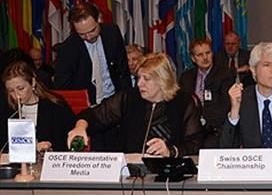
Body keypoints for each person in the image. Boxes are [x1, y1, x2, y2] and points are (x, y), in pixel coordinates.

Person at [67, 53, 203, 157]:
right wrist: (80, 127)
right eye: (138, 78)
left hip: (169, 172)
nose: (139, 84)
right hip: (130, 170)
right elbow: (93, 116)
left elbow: (195, 143)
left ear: (163, 80)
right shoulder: (129, 97)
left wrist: (170, 151)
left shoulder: (183, 102)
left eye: (146, 79)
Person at [54, 1, 131, 105]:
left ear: (99, 19)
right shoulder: (68, 49)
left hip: (115, 99)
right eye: (82, 34)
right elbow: (63, 87)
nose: (88, 37)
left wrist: (126, 101)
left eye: (92, 30)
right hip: (88, 105)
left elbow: (123, 70)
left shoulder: (112, 33)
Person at [2, 60, 76, 152]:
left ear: (33, 82)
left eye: (21, 88)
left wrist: (50, 147)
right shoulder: (7, 110)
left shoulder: (55, 106)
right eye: (11, 91)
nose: (16, 95)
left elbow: (70, 140)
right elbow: (4, 145)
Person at [179, 39, 233, 148]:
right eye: (200, 55)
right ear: (193, 58)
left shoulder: (225, 74)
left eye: (207, 53)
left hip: (215, 130)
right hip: (191, 130)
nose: (205, 58)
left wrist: (203, 124)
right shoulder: (186, 77)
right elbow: (182, 105)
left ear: (212, 54)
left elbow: (225, 106)